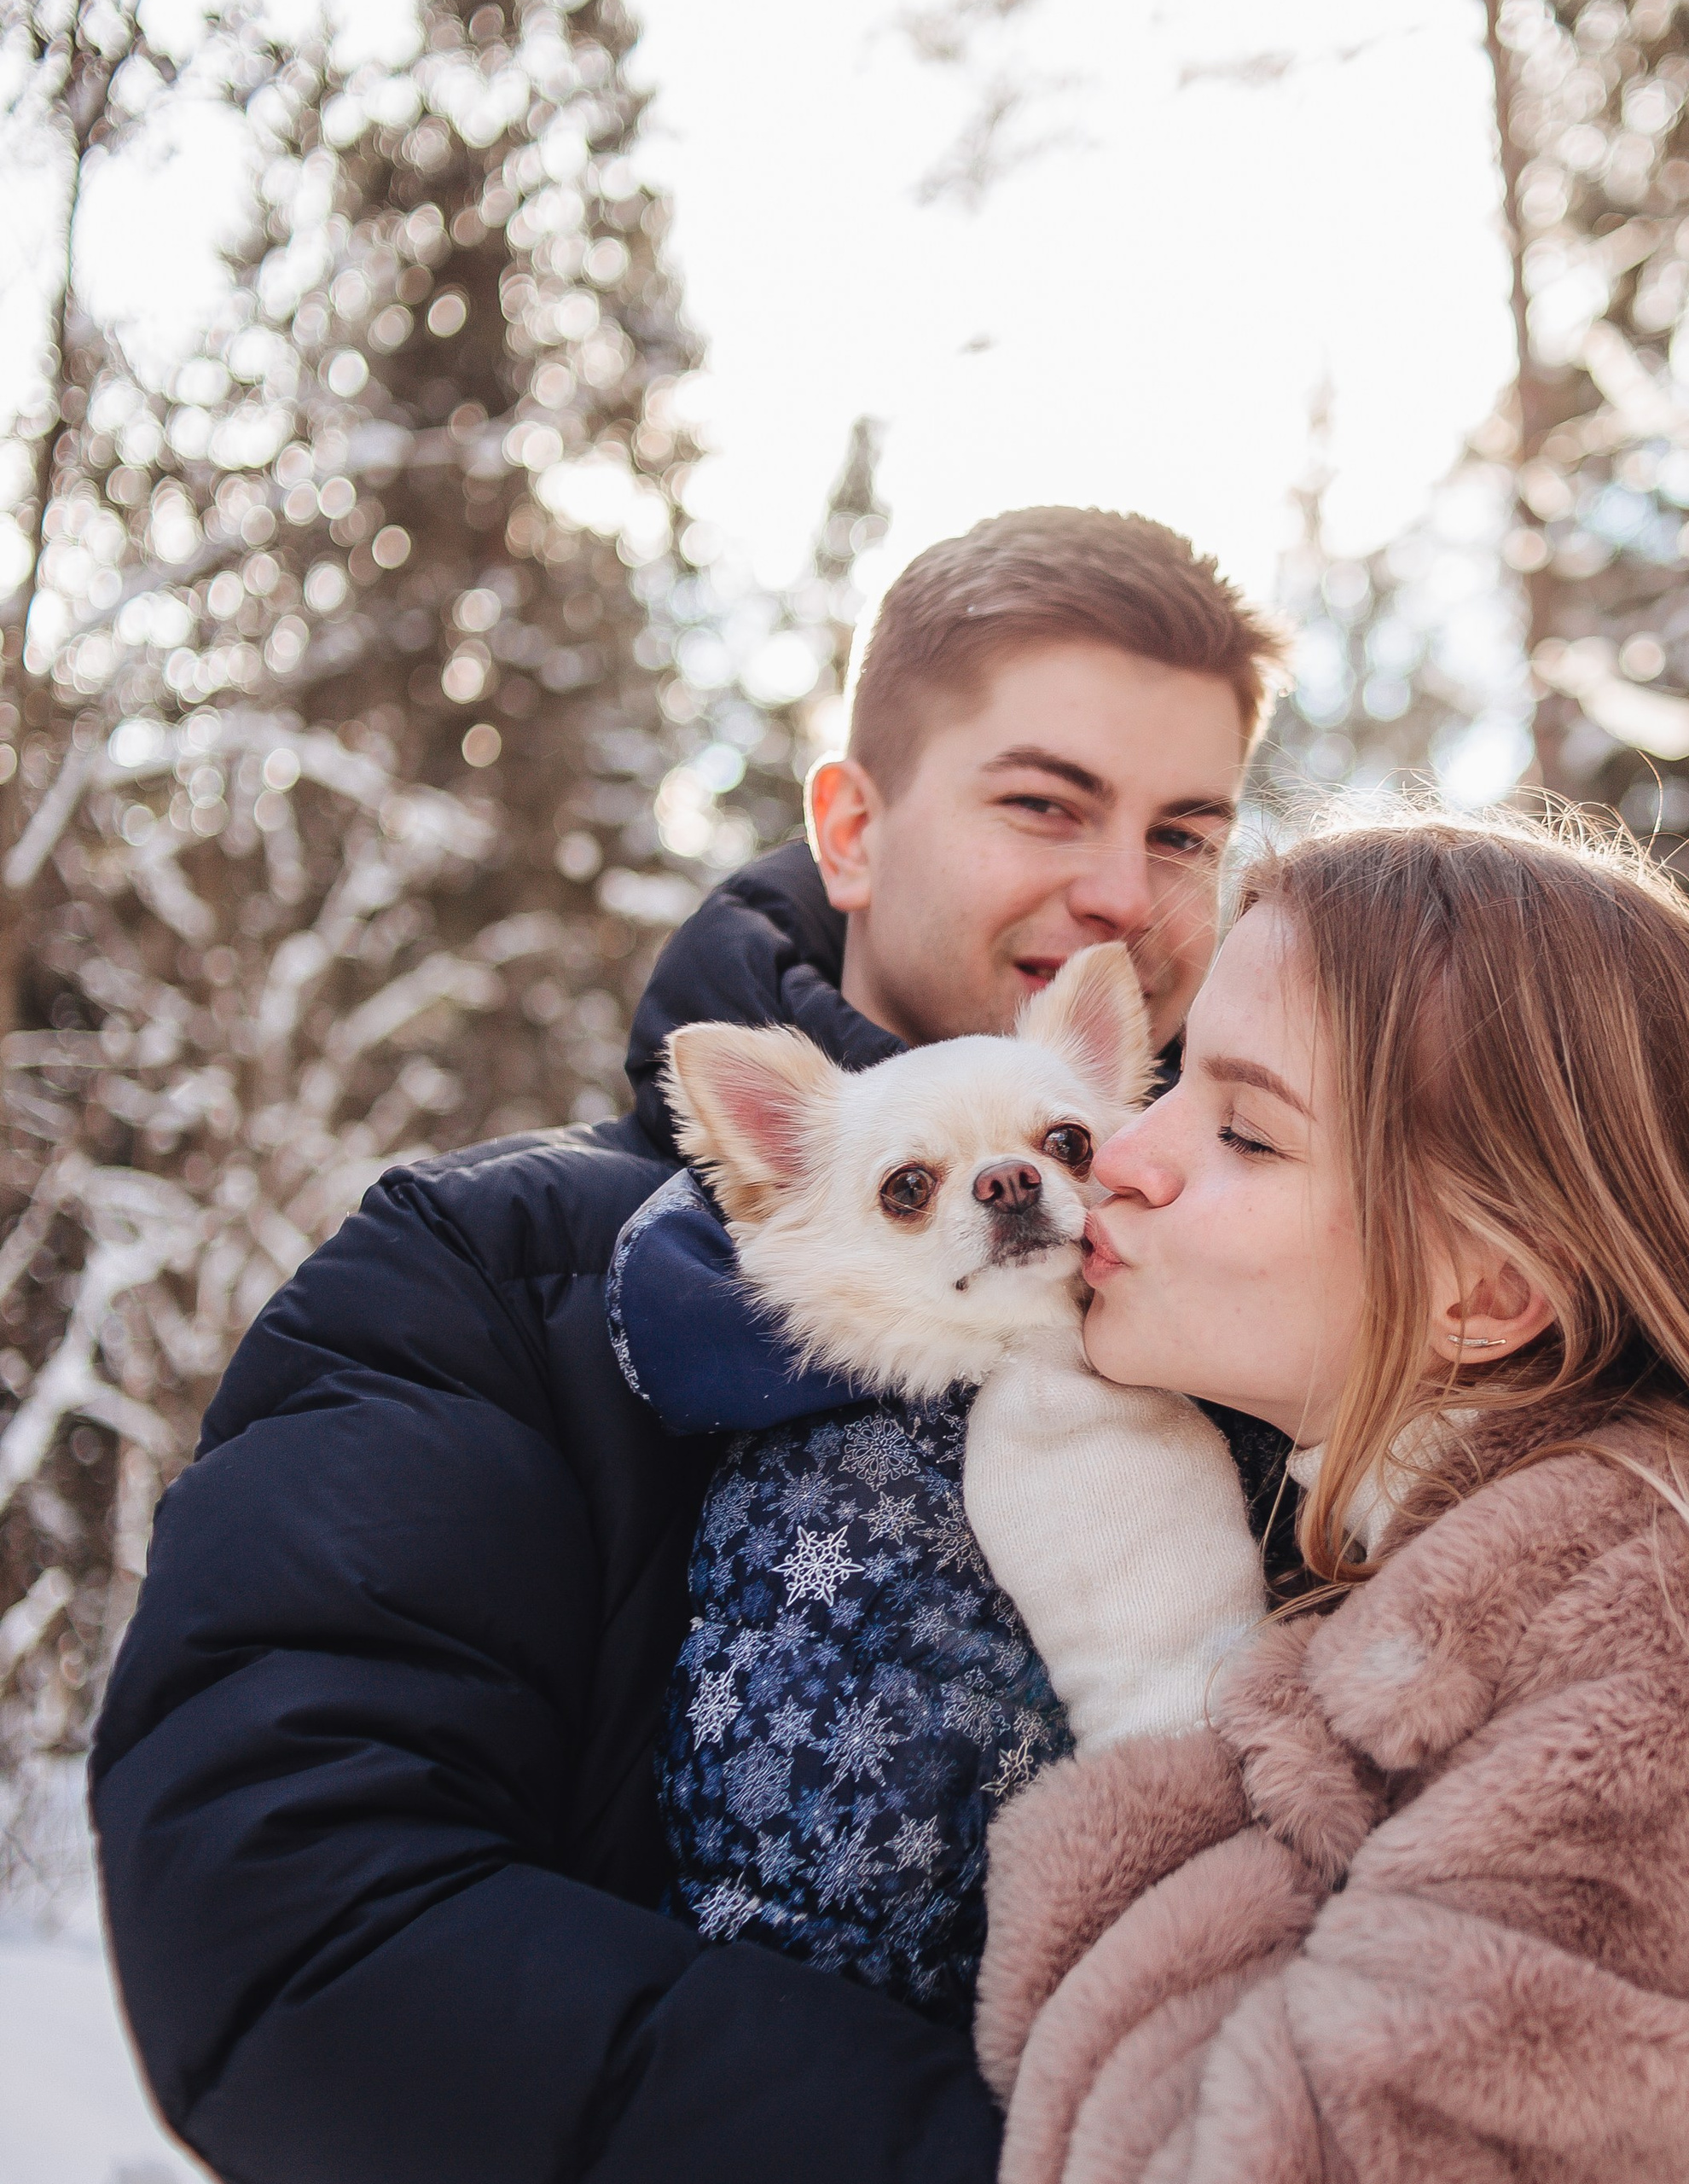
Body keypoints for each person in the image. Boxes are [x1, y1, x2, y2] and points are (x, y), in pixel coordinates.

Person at [89, 507, 1287, 2184]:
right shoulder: (493, 1273)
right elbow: (302, 1931)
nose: (1119, 889)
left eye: (1183, 830)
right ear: (850, 829)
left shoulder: (1299, 1306)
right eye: (1044, 801)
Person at [967, 812, 1689, 2184]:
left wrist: (1145, 1678)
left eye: (1244, 1131)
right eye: (1172, 1085)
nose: (1118, 1156)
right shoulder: (1561, 1585)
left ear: (1486, 1297)